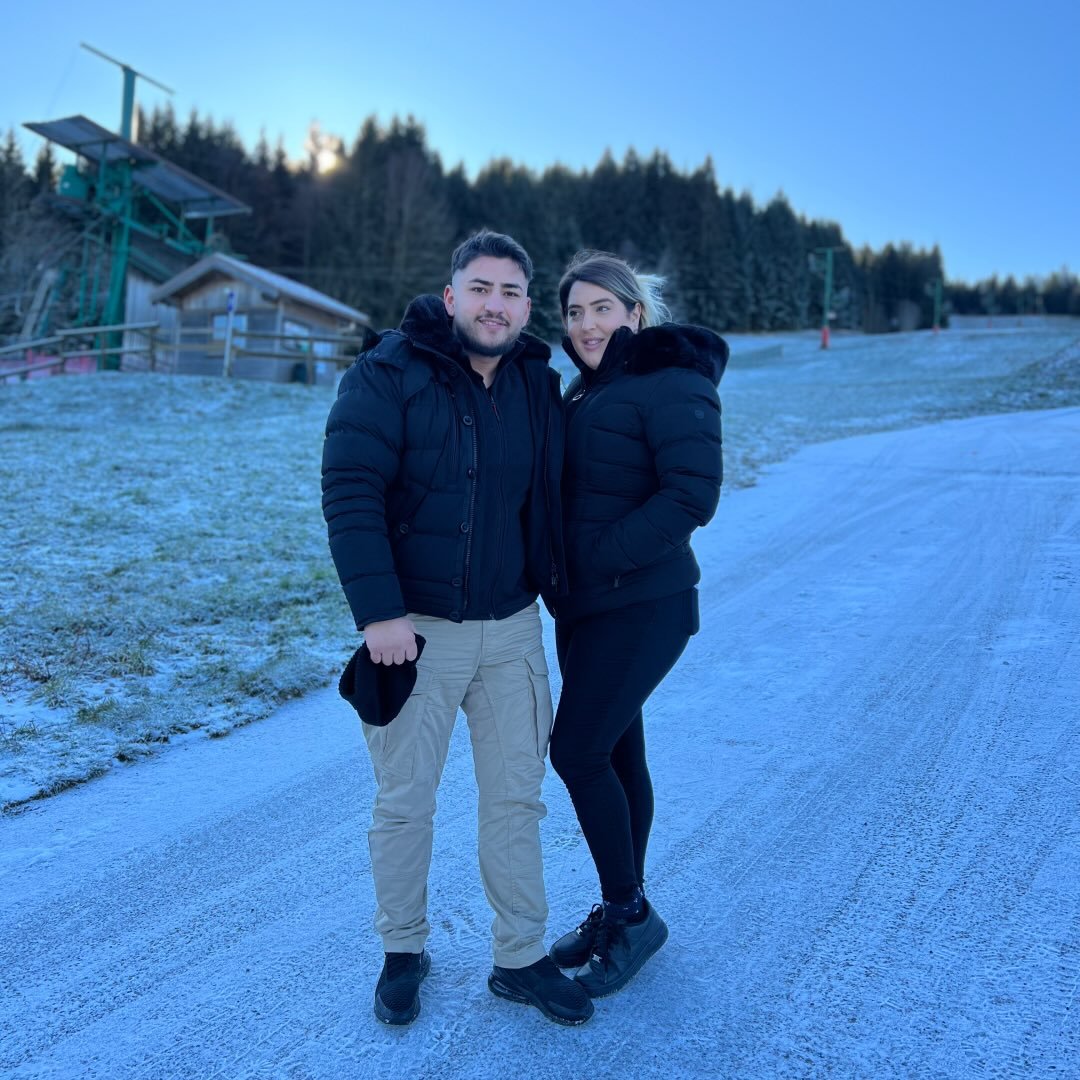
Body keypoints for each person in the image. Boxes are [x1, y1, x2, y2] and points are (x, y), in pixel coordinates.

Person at [321, 231, 592, 1027]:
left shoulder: (538, 384)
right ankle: (402, 950)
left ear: (527, 307)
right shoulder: (388, 373)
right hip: (414, 634)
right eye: (480, 288)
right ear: (451, 296)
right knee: (405, 802)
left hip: (512, 630)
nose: (494, 305)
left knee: (516, 799)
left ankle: (520, 957)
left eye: (510, 293)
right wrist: (380, 613)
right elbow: (351, 490)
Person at [546, 251, 727, 998]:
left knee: (577, 750)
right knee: (618, 754)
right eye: (575, 311)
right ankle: (623, 905)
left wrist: (595, 558)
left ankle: (631, 912)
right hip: (588, 607)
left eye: (602, 308)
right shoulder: (586, 390)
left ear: (635, 313)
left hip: (644, 604)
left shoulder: (673, 380)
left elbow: (691, 496)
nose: (587, 324)